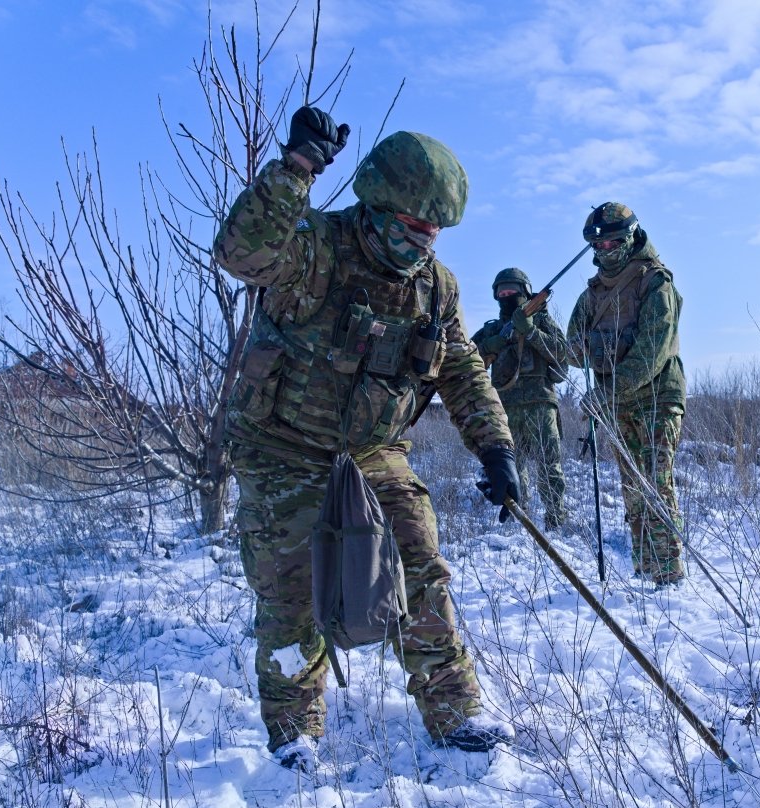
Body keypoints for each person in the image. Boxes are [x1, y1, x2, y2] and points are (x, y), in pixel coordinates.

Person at [213, 106, 521, 767]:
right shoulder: (314, 249)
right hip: (284, 445)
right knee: (292, 589)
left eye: (435, 233)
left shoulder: (434, 288)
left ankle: (456, 710)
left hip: (373, 447)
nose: (424, 244)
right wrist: (297, 169)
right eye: (412, 228)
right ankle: (295, 732)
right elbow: (241, 252)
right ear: (378, 207)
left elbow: (462, 368)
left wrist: (495, 447)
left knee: (419, 563)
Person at [567, 202, 685, 586]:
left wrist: (607, 392)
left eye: (612, 243)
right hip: (618, 404)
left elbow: (652, 352)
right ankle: (644, 570)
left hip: (657, 398)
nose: (604, 251)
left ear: (630, 238)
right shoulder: (593, 294)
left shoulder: (655, 283)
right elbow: (572, 351)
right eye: (598, 246)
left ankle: (668, 575)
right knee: (633, 489)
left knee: (655, 483)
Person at [470, 268, 570, 529]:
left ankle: (556, 520)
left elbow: (563, 355)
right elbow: (463, 359)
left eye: (512, 291)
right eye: (502, 293)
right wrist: (489, 346)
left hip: (541, 405)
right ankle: (518, 521)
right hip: (504, 408)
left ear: (525, 292)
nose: (507, 296)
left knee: (549, 467)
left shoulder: (542, 322)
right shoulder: (493, 329)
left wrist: (532, 332)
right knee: (513, 468)